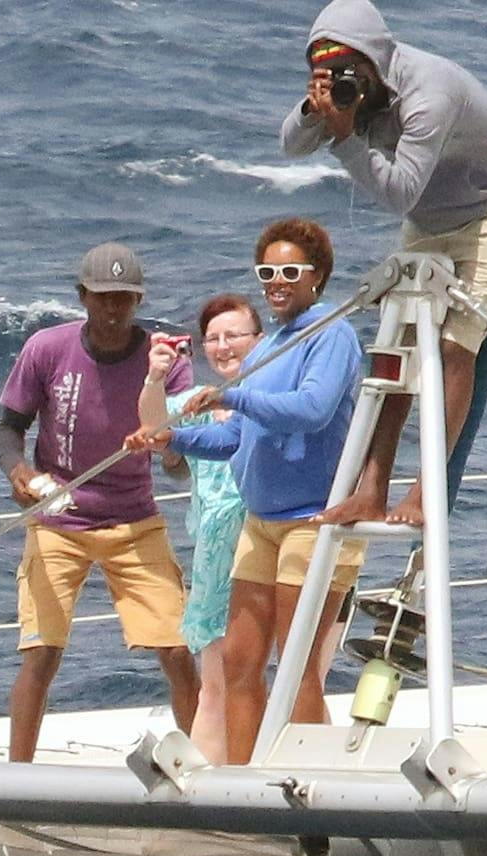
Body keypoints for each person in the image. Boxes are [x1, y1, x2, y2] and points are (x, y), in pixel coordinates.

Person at [286, 0, 487, 532]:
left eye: (352, 77)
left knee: (453, 347)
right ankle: (371, 491)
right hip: (431, 221)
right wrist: (318, 112)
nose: (345, 87)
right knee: (393, 354)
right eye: (330, 76)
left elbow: (400, 191)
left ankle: (426, 490)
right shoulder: (348, 88)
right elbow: (290, 144)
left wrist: (347, 137)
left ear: (375, 64)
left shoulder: (430, 93)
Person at [162, 221, 367, 755]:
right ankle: (243, 785)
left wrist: (235, 399)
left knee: (295, 664)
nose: (276, 282)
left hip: (311, 521)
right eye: (267, 272)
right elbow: (235, 436)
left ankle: (309, 788)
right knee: (238, 662)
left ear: (316, 276)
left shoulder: (331, 333)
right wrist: (171, 439)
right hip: (261, 521)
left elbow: (314, 409)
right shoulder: (266, 347)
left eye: (289, 272)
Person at [0, 243, 201, 761]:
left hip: (135, 520)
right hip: (57, 518)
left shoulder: (165, 361)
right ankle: (16, 779)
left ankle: (203, 767)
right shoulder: (46, 348)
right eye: (102, 298)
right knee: (41, 650)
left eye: (124, 299)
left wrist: (175, 451)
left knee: (177, 650)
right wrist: (18, 471)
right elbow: (8, 427)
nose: (112, 311)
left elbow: (179, 457)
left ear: (139, 301)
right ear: (82, 296)